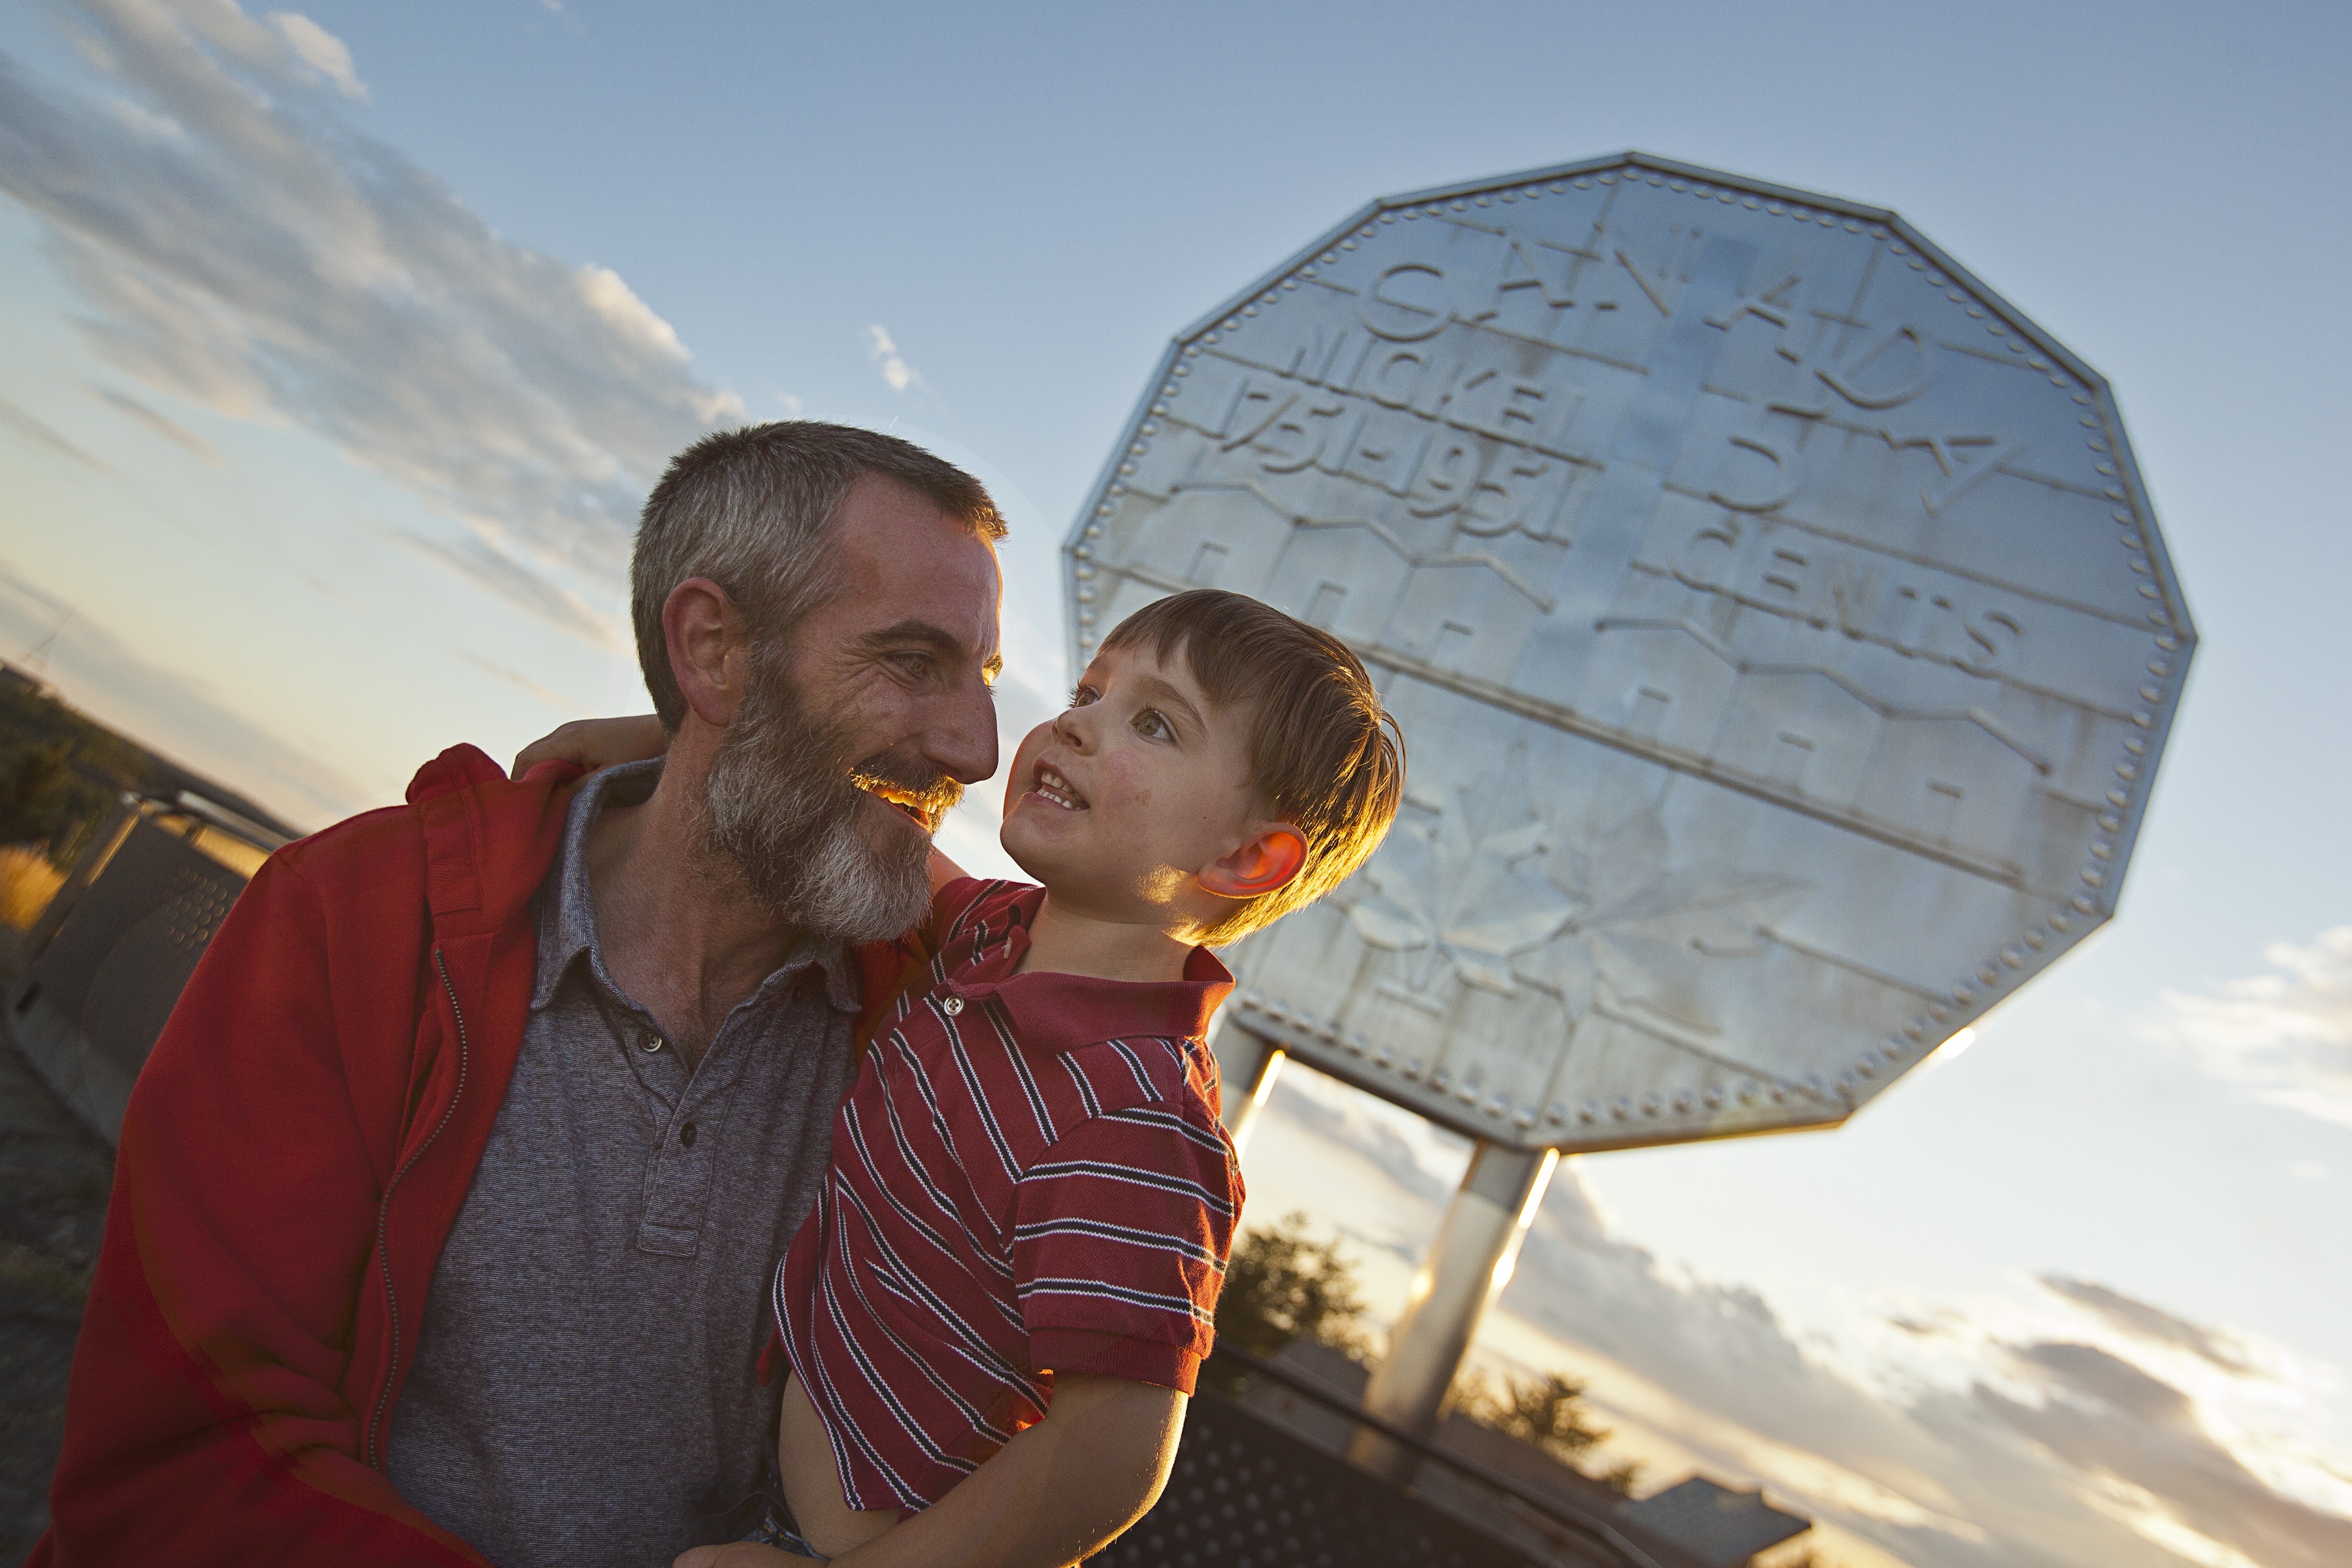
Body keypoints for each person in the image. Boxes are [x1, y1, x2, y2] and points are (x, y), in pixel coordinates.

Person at [31, 422, 1008, 1568]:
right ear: (713, 649)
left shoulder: (944, 1031)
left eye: (983, 679)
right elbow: (181, 1469)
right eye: (910, 661)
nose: (979, 746)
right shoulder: (359, 919)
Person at [677, 588, 1406, 1567]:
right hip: (745, 1471)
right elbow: (854, 827)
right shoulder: (993, 935)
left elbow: (1113, 1455)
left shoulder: (1136, 1114)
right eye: (1089, 689)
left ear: (1245, 858)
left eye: (1152, 722)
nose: (1075, 723)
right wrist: (653, 735)